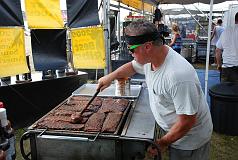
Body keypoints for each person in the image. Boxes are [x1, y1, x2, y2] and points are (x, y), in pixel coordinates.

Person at [97, 20, 213, 160]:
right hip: (171, 130)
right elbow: (132, 67)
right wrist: (110, 77)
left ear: (147, 46)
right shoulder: (151, 58)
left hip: (189, 140)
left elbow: (187, 121)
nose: (130, 53)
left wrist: (162, 143)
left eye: (132, 49)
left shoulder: (178, 76)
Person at [216, 12, 238, 82]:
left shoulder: (226, 31)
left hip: (226, 68)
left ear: (235, 20)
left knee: (224, 91)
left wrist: (219, 65)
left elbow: (218, 51)